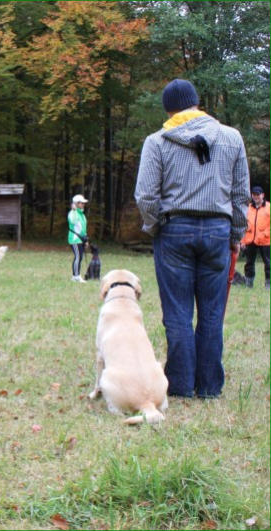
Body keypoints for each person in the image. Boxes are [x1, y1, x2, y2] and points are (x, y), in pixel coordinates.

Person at [135, 78, 250, 399]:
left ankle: (181, 385)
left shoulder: (157, 142)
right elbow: (241, 194)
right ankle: (209, 387)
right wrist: (236, 234)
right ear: (197, 103)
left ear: (169, 110)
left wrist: (155, 226)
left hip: (174, 230)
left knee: (177, 313)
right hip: (217, 230)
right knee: (212, 313)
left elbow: (146, 196)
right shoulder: (232, 138)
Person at [240, 186, 270, 289]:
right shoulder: (248, 208)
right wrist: (242, 241)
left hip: (266, 240)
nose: (256, 196)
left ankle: (268, 284)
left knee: (268, 263)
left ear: (263, 195)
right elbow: (243, 225)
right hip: (250, 240)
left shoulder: (269, 207)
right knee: (249, 263)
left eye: (258, 194)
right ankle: (248, 283)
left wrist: (265, 234)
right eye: (254, 194)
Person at [67, 194, 88, 283]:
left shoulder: (82, 214)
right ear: (76, 203)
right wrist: (74, 210)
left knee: (80, 257)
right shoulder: (72, 213)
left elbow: (83, 228)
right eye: (81, 203)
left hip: (81, 239)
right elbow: (73, 221)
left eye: (83, 203)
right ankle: (76, 276)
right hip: (74, 239)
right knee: (78, 257)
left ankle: (76, 276)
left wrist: (86, 240)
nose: (83, 204)